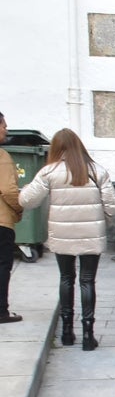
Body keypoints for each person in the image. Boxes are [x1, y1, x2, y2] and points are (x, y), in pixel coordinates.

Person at [19, 128, 115, 350]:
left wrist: (25, 187)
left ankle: (66, 333)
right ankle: (88, 335)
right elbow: (112, 206)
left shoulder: (49, 172)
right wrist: (104, 218)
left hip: (62, 234)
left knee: (66, 278)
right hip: (91, 234)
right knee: (87, 280)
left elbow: (27, 200)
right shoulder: (96, 171)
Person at [0, 111, 21, 324]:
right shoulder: (2, 156)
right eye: (3, 125)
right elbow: (8, 190)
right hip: (1, 221)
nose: (6, 129)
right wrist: (19, 209)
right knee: (2, 265)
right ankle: (1, 311)